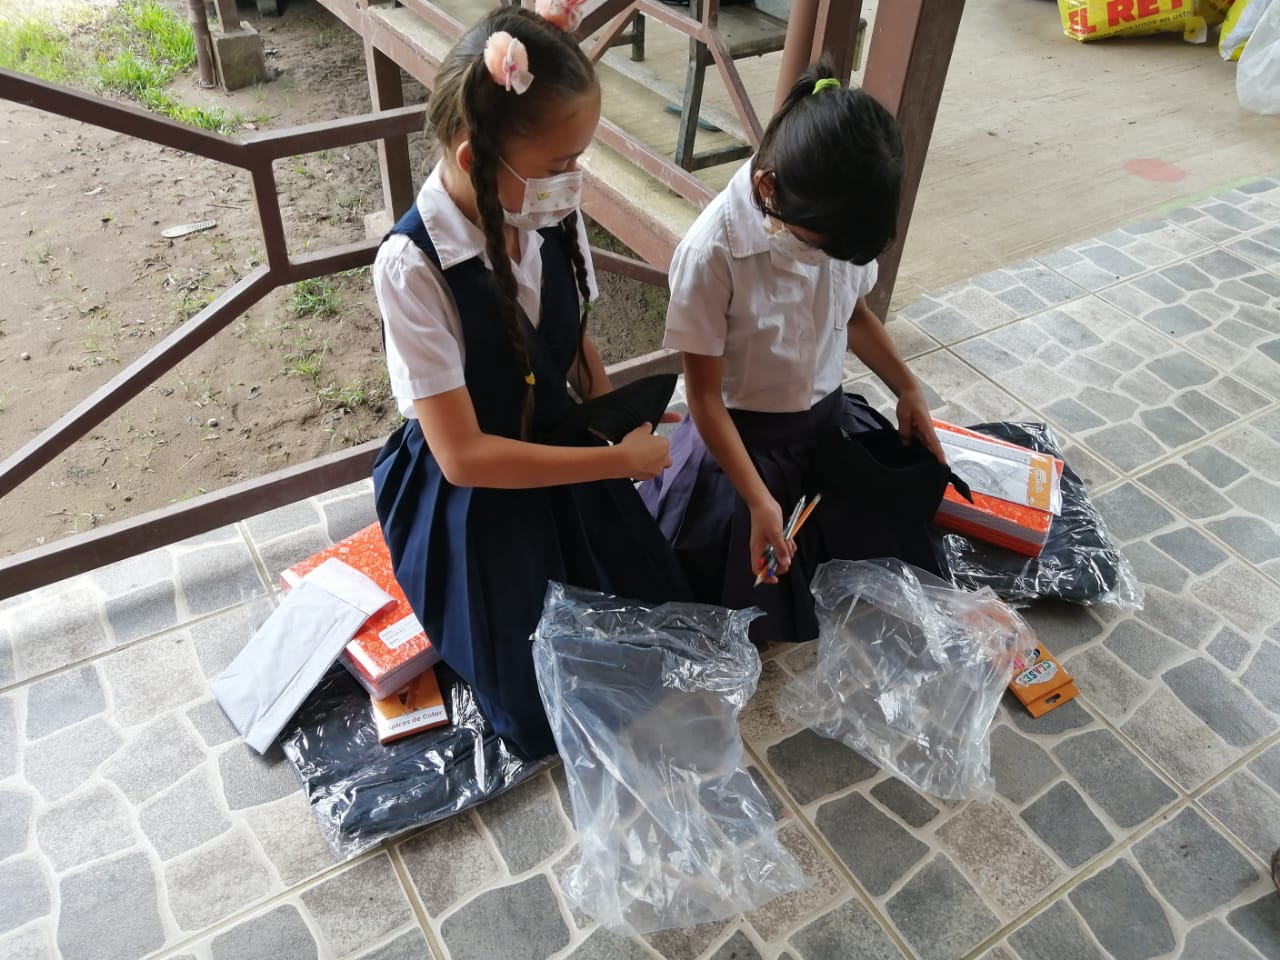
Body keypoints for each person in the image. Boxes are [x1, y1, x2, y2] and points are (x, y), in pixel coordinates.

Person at [371, 4, 689, 760]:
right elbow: (465, 459)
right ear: (476, 160)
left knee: (657, 634)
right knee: (539, 705)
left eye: (580, 158)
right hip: (478, 495)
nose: (572, 181)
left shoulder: (542, 203)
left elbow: (568, 330)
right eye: (559, 164)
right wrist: (617, 463)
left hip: (562, 447)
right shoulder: (413, 268)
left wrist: (608, 409)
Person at [641, 62, 947, 648]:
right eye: (817, 248)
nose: (822, 261)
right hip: (742, 448)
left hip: (825, 425)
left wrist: (907, 386)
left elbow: (854, 314)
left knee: (876, 551)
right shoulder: (712, 254)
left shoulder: (830, 219)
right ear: (767, 190)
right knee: (737, 598)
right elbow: (704, 399)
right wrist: (758, 498)